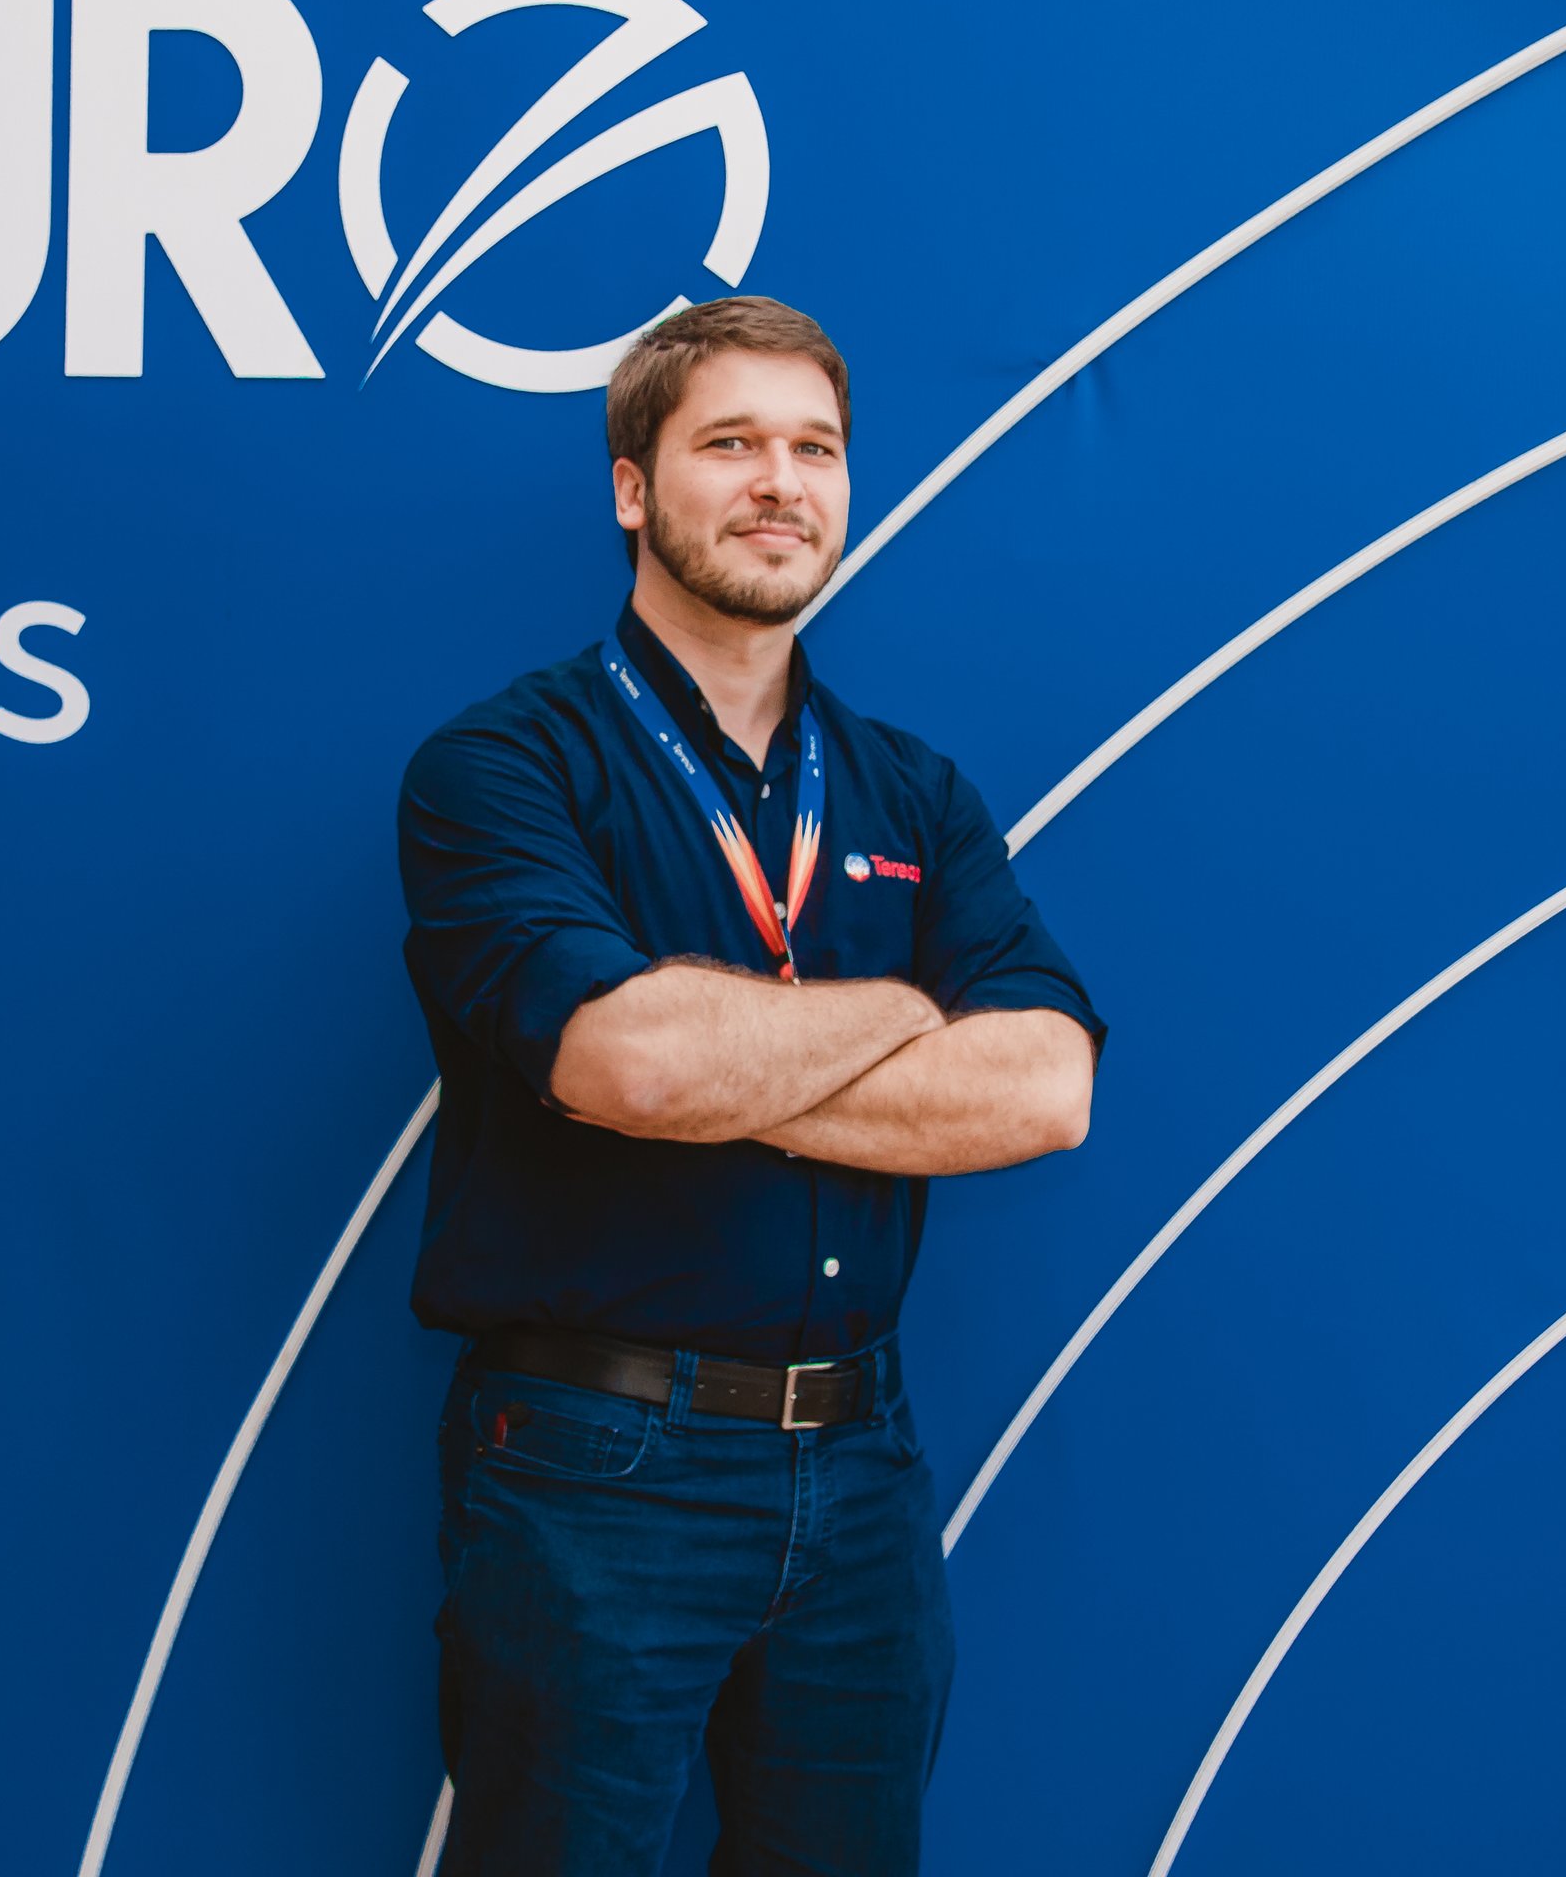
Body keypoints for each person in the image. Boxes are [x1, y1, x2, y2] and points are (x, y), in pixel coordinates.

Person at [396, 295, 1106, 1875]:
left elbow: (1047, 1086)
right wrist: (911, 1010)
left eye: (816, 449)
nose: (782, 483)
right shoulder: (503, 769)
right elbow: (627, 1059)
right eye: (730, 443)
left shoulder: (913, 790)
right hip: (595, 1464)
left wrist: (723, 1062)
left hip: (861, 1469)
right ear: (633, 487)